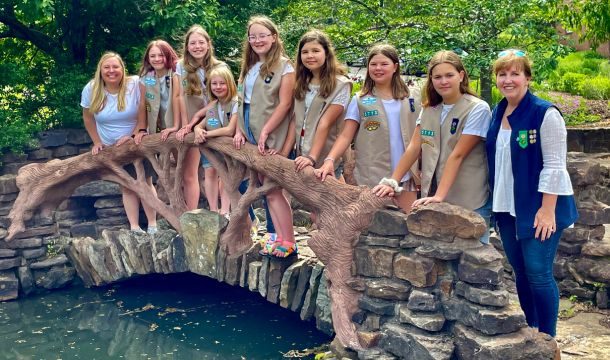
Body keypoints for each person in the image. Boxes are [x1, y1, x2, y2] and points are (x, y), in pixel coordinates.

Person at [486, 50, 577, 347]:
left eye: (515, 73)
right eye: (502, 74)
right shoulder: (498, 112)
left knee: (538, 273)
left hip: (538, 209)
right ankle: (532, 332)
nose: (508, 80)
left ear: (527, 77)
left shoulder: (544, 113)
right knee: (521, 273)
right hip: (506, 208)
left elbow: (554, 165)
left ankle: (548, 341)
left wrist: (547, 210)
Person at [372, 50, 492, 241]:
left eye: (449, 75)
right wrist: (392, 182)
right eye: (437, 77)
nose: (443, 81)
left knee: (472, 263)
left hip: (468, 199)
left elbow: (458, 155)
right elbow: (414, 147)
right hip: (433, 197)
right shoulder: (429, 109)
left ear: (461, 76)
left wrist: (439, 197)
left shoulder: (477, 108)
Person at [316, 43, 421, 213]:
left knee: (409, 222)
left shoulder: (412, 96)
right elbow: (345, 136)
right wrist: (329, 160)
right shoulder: (360, 100)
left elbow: (423, 135)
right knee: (374, 225)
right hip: (373, 174)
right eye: (373, 64)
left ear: (395, 67)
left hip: (407, 173)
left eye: (384, 64)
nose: (378, 68)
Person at [234, 15, 296, 257]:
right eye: (253, 36)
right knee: (266, 189)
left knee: (274, 188)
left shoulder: (285, 66)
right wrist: (240, 129)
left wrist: (267, 130)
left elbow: (285, 104)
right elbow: (242, 102)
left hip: (270, 131)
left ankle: (288, 241)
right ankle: (279, 237)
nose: (257, 40)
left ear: (274, 37)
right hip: (249, 128)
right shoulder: (249, 66)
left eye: (262, 35)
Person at [81, 52, 157, 233]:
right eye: (107, 67)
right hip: (112, 148)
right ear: (100, 70)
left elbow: (143, 114)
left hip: (137, 142)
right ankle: (135, 226)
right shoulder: (91, 89)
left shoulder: (134, 85)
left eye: (115, 67)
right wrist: (97, 142)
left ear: (122, 69)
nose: (111, 71)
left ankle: (153, 224)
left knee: (145, 182)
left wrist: (132, 136)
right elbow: (88, 118)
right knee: (127, 185)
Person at [172, 25, 225, 210]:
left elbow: (223, 99)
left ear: (208, 44)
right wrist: (185, 124)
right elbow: (179, 96)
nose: (197, 46)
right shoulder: (180, 66)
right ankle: (192, 216)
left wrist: (197, 121)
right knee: (189, 174)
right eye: (192, 43)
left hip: (214, 122)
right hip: (191, 124)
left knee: (215, 169)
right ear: (187, 46)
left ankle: (222, 212)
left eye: (201, 42)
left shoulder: (220, 66)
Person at [291, 30, 351, 179]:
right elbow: (295, 119)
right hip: (301, 152)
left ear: (326, 53)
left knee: (329, 198)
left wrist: (312, 158)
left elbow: (325, 123)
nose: (310, 56)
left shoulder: (341, 84)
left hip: (324, 157)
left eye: (316, 51)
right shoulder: (301, 82)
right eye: (305, 52)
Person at [192, 66, 238, 218]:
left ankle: (225, 210)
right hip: (211, 149)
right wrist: (198, 130)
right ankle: (213, 209)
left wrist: (207, 134)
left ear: (230, 84)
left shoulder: (235, 103)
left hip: (227, 148)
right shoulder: (213, 105)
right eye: (214, 84)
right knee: (210, 173)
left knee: (225, 176)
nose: (218, 87)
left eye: (222, 83)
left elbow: (230, 130)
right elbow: (201, 124)